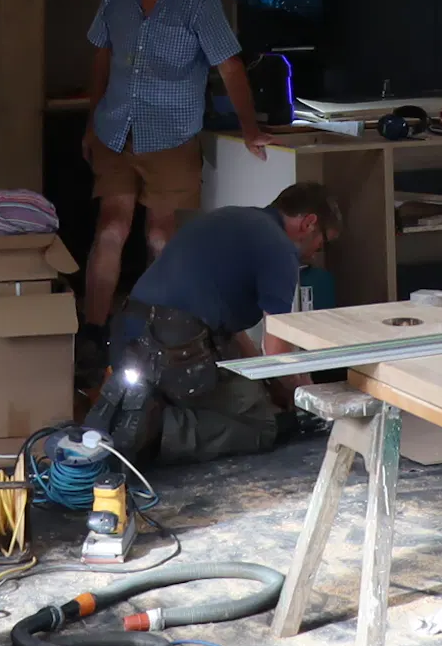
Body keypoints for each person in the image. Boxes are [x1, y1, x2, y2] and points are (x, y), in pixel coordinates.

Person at [79, 0, 268, 329]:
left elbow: (230, 67)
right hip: (116, 131)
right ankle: (92, 333)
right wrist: (92, 122)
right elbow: (102, 53)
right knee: (111, 228)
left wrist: (250, 129)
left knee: (163, 238)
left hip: (172, 135)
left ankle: (162, 333)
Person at [88, 186, 340, 464]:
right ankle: (158, 427)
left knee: (251, 394)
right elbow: (276, 349)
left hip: (130, 340)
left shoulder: (230, 218)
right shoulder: (280, 249)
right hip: (173, 352)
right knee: (263, 422)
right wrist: (308, 401)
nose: (316, 254)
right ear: (308, 223)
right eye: (322, 243)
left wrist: (267, 383)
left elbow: (234, 333)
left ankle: (140, 405)